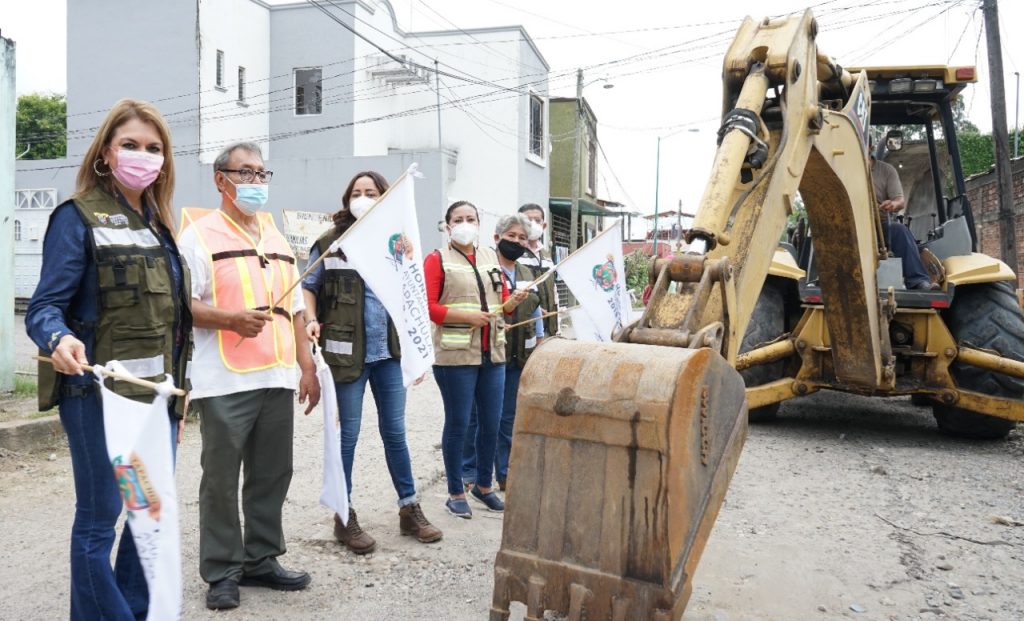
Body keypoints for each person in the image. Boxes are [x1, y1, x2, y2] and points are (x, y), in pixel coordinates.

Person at [25, 98, 192, 620]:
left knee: (148, 518)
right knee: (101, 521)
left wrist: (179, 398)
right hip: (97, 399)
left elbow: (174, 323)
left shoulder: (159, 226)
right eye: (130, 145)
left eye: (153, 148)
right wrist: (57, 339)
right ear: (105, 153)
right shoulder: (76, 217)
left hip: (154, 401)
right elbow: (44, 306)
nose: (143, 156)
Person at [177, 142, 320, 610]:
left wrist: (306, 365)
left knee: (272, 473)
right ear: (222, 179)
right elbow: (183, 308)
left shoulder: (276, 238)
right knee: (220, 477)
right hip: (225, 380)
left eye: (262, 174)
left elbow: (297, 308)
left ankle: (261, 559)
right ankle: (222, 570)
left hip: (277, 377)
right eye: (247, 173)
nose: (256, 182)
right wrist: (230, 320)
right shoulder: (199, 236)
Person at [301, 171, 443, 555]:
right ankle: (343, 516)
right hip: (346, 355)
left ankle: (408, 507)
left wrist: (417, 353)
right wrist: (310, 319)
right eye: (357, 193)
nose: (363, 197)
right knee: (347, 435)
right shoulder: (331, 243)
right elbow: (308, 289)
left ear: (384, 199)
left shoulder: (397, 243)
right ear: (347, 199)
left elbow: (412, 299)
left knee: (395, 433)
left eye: (371, 192)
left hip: (389, 355)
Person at [425, 201, 528, 518]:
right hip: (455, 357)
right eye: (459, 219)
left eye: (471, 218)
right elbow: (427, 307)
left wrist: (511, 303)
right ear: (447, 225)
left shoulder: (489, 257)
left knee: (492, 423)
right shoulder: (437, 259)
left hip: (492, 353)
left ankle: (485, 487)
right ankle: (456, 492)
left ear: (480, 224)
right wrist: (466, 317)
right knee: (459, 424)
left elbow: (497, 305)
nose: (465, 223)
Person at [461, 215, 542, 492]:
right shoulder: (483, 269)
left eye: (521, 238)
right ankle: (469, 472)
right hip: (486, 353)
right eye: (511, 236)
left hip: (517, 355)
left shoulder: (527, 273)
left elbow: (535, 308)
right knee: (476, 416)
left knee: (507, 417)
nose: (517, 242)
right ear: (496, 238)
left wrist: (540, 338)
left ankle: (504, 471)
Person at [871, 152, 938, 291]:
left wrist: (893, 204)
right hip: (852, 225)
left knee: (900, 231)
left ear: (869, 147)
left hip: (879, 225)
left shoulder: (886, 171)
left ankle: (918, 281)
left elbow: (899, 201)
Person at [517, 203, 559, 338]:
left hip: (549, 327)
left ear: (544, 225)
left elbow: (554, 290)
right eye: (528, 220)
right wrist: (535, 310)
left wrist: (557, 322)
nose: (533, 224)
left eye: (537, 220)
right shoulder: (514, 253)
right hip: (526, 327)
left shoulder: (546, 254)